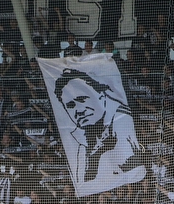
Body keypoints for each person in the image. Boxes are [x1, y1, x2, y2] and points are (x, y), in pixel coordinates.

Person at [52, 67, 146, 197]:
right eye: (70, 106)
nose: (78, 110)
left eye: (82, 100)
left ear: (101, 95)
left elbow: (125, 164)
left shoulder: (121, 119)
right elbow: (83, 181)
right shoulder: (79, 137)